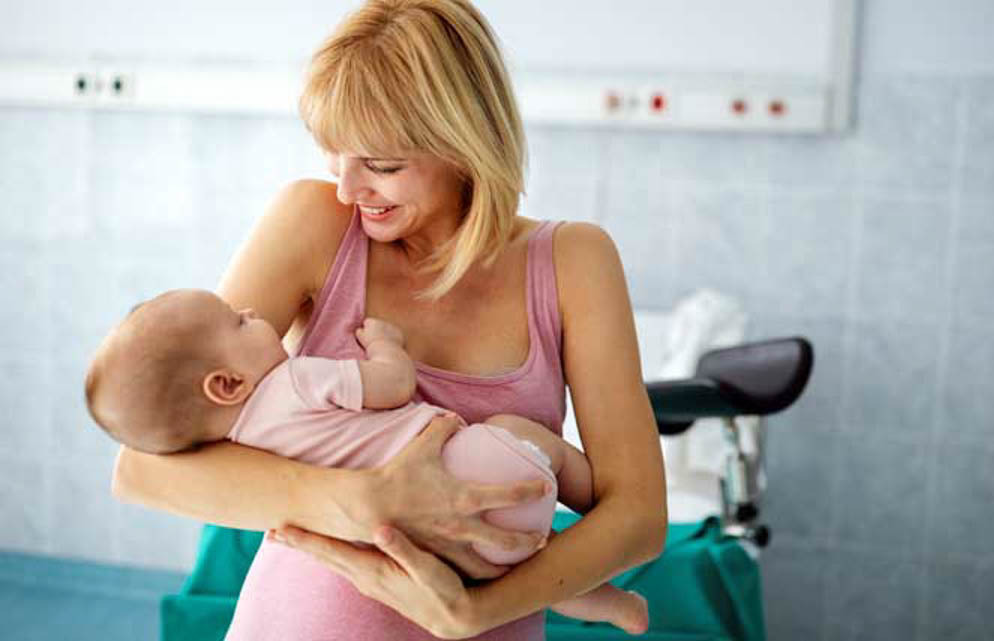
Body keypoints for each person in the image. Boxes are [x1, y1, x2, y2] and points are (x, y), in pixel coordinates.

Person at [110, 0, 667, 639]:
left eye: (381, 165)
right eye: (334, 156)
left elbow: (639, 515)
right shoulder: (315, 223)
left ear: (464, 145)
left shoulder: (574, 261)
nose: (349, 190)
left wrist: (476, 611)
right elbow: (145, 468)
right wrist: (363, 501)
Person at [86, 288, 649, 634]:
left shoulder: (241, 447)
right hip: (472, 467)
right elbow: (390, 386)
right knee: (523, 439)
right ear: (227, 382)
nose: (253, 311)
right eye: (238, 321)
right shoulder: (295, 383)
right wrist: (387, 345)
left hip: (400, 546)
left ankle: (602, 602)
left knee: (517, 559)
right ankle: (590, 495)